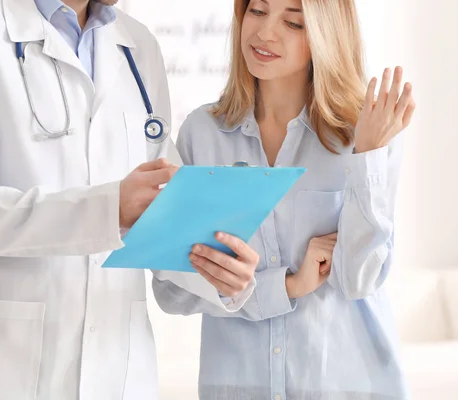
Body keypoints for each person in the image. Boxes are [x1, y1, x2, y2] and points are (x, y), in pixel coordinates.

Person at [0, 0, 260, 398]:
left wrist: (222, 271)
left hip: (117, 368)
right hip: (4, 365)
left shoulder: (136, 44)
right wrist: (106, 210)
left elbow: (160, 210)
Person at [152, 0, 416, 399]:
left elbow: (359, 278)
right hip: (238, 385)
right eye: (257, 11)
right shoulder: (202, 135)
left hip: (346, 383)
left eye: (293, 22)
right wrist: (288, 286)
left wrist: (369, 156)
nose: (265, 33)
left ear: (326, 36)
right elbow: (173, 290)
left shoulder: (363, 135)